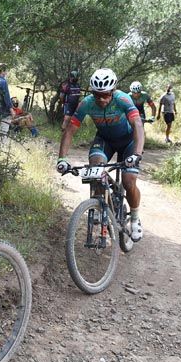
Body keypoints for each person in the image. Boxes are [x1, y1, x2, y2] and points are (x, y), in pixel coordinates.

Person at [56, 68, 145, 241]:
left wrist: (137, 154)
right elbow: (69, 131)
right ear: (92, 92)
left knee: (128, 181)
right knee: (95, 169)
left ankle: (134, 219)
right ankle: (98, 205)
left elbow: (137, 125)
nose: (101, 99)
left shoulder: (123, 99)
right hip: (105, 140)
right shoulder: (87, 103)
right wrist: (62, 158)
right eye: (97, 95)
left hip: (128, 142)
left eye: (105, 95)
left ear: (112, 91)